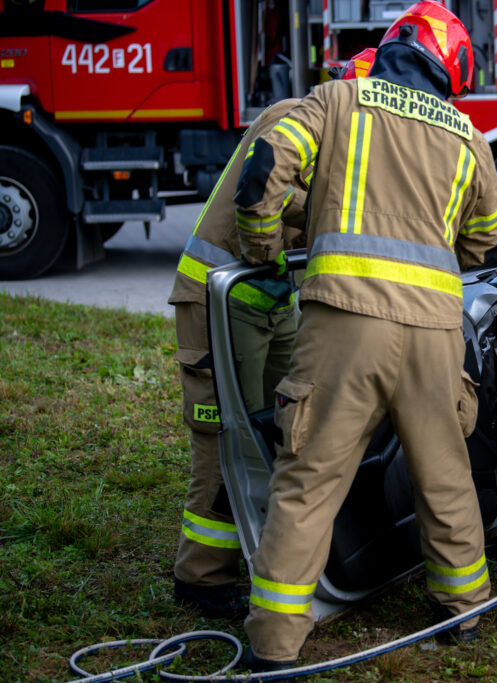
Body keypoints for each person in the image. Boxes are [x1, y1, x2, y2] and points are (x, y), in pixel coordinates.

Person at [232, 1, 497, 670]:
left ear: (395, 46)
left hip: (344, 324)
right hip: (437, 332)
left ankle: (273, 642)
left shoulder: (338, 100)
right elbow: (487, 235)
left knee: (309, 477)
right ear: (451, 69)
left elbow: (266, 163)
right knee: (445, 472)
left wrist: (264, 246)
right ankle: (464, 611)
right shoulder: (468, 135)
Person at [167, 97, 308, 620]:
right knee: (226, 440)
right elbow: (264, 189)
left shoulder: (340, 132)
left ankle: (259, 552)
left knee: (284, 427)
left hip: (270, 301)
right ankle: (201, 578)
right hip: (217, 300)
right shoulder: (293, 117)